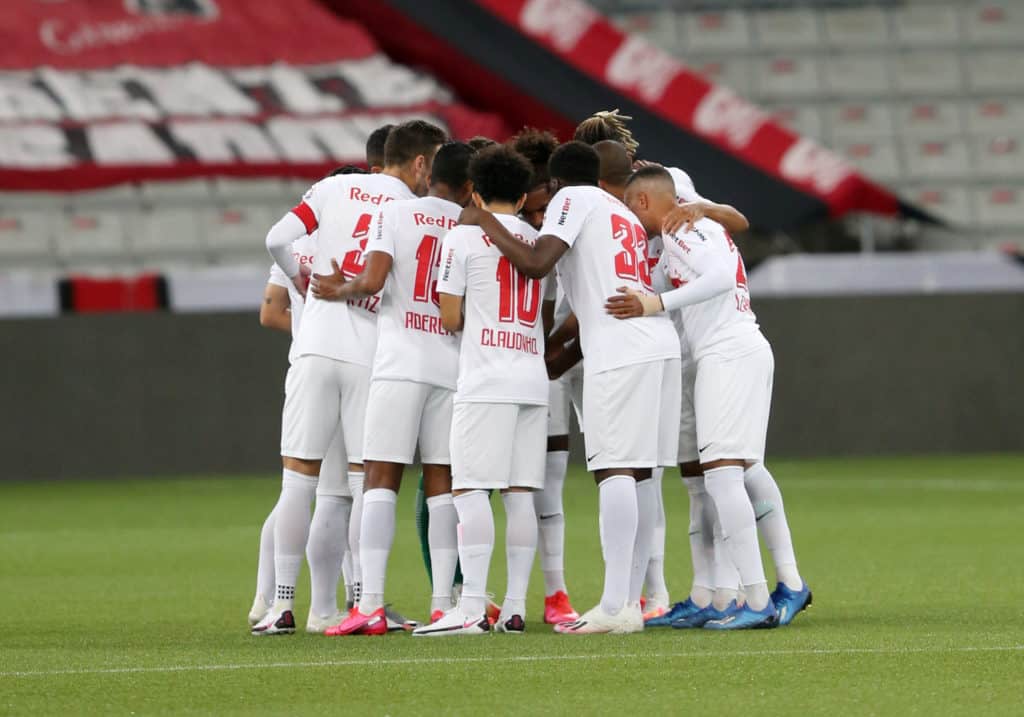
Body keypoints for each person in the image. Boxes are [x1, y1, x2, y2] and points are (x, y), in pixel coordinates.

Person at [460, 141, 682, 634]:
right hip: (659, 347)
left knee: (616, 472)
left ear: (557, 183)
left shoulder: (572, 200)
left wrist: (485, 221)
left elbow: (537, 262)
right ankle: (629, 605)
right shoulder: (617, 211)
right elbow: (592, 306)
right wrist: (550, 362)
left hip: (622, 353)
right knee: (642, 475)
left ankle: (612, 606)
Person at [253, 119, 447, 635]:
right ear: (420, 163)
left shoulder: (331, 188)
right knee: (363, 487)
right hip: (373, 356)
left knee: (299, 482)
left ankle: (282, 606)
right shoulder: (411, 211)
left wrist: (300, 277)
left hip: (314, 347)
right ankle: (364, 601)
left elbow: (276, 238)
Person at [608, 165, 810, 629]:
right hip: (728, 353)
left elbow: (719, 276)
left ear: (644, 200)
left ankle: (756, 601)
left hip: (728, 353)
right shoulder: (687, 229)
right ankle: (731, 596)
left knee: (722, 476)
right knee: (732, 474)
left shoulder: (682, 227)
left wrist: (656, 303)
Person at [311, 142, 474, 635]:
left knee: (381, 479)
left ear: (431, 175)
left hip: (400, 361)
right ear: (471, 187)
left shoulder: (396, 213)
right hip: (451, 365)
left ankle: (372, 604)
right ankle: (444, 603)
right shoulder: (470, 227)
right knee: (442, 484)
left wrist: (341, 288)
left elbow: (374, 278)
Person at [413, 145, 548, 636]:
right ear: (520, 193)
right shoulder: (536, 239)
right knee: (519, 496)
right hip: (532, 379)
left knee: (469, 490)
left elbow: (449, 316)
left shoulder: (462, 239)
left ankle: (469, 607)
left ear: (474, 191)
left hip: (486, 378)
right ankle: (513, 607)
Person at [510, 127, 580, 624]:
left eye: (544, 208)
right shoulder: (494, 236)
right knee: (460, 487)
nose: (538, 218)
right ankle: (459, 597)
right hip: (490, 373)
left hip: (546, 374)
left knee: (548, 483)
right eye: (530, 210)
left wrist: (552, 358)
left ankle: (555, 594)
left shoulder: (569, 236)